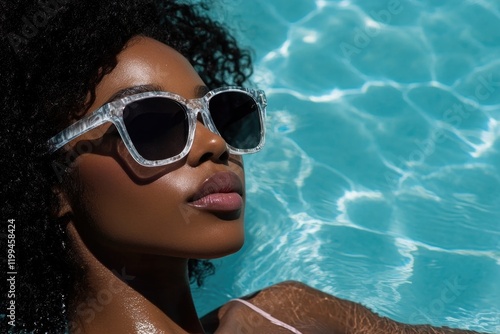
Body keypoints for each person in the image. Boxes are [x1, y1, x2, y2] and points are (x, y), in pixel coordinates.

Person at [0, 1, 485, 333]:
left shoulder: (289, 316)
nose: (215, 143)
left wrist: (350, 322)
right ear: (48, 185)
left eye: (222, 112)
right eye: (152, 123)